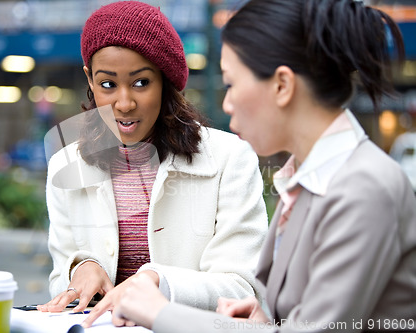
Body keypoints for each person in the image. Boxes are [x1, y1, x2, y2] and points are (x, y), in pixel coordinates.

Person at [111, 0, 416, 332]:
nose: (226, 104)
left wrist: (161, 313)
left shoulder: (363, 188)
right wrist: (266, 319)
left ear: (282, 86)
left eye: (230, 84)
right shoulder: (310, 181)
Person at [37, 0, 269, 328]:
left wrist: (157, 280)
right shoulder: (66, 164)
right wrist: (80, 268)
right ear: (90, 80)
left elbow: (245, 288)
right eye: (108, 85)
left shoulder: (230, 158)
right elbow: (61, 281)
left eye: (141, 82)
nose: (125, 103)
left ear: (165, 80)